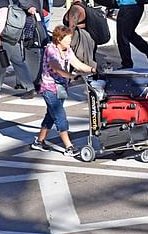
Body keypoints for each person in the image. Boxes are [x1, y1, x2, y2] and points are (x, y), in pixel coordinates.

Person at [31, 25, 98, 157]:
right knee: (60, 117)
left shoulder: (67, 50)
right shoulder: (51, 50)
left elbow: (77, 63)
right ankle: (69, 147)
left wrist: (92, 69)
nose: (69, 41)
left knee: (51, 115)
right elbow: (56, 68)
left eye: (70, 39)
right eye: (67, 39)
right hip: (49, 88)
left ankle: (39, 141)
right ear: (59, 39)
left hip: (61, 88)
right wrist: (71, 76)